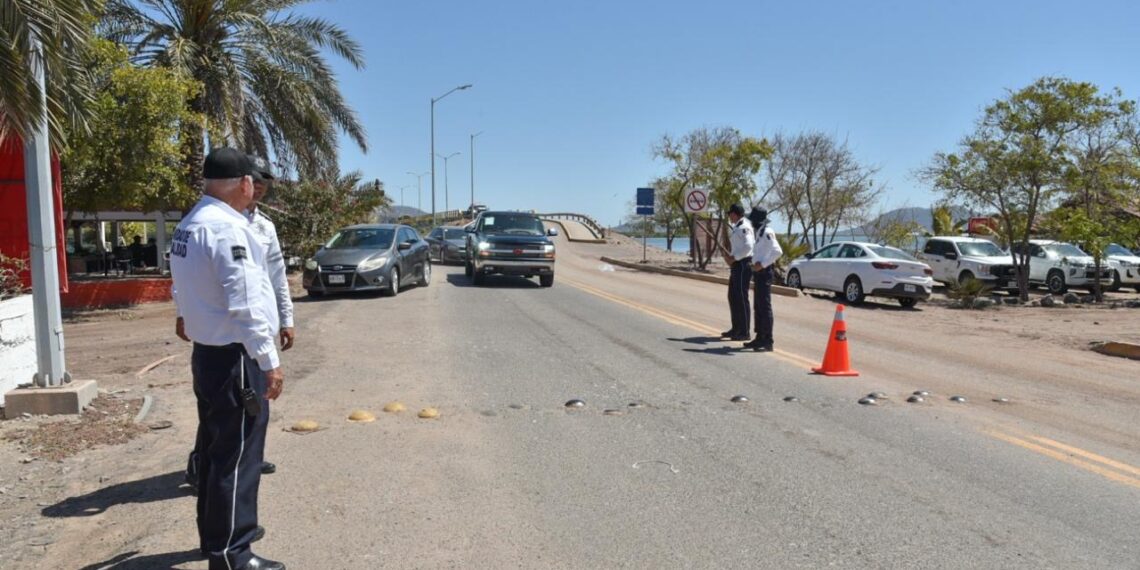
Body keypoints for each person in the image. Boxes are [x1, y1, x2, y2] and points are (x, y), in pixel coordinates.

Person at [170, 147, 285, 570]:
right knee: (238, 455)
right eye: (253, 182)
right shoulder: (228, 230)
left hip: (208, 355)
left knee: (218, 451)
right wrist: (269, 361)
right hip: (236, 357)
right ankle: (234, 555)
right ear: (244, 183)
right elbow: (247, 305)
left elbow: (181, 287)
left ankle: (214, 540)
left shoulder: (191, 224)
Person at [179, 156, 293, 486]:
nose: (257, 189)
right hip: (233, 341)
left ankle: (248, 460)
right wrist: (182, 312)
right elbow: (198, 279)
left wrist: (286, 318)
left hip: (246, 336)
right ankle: (208, 471)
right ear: (241, 182)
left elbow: (276, 277)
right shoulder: (218, 223)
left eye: (262, 185)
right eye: (253, 182)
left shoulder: (263, 226)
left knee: (245, 419)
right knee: (226, 420)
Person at [745, 206, 783, 352]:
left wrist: (763, 264)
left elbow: (777, 251)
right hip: (759, 272)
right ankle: (760, 336)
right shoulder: (759, 233)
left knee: (764, 306)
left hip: (765, 272)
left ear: (757, 221)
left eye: (752, 220)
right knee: (758, 306)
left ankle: (768, 340)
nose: (751, 222)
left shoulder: (767, 232)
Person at [721, 203, 754, 342]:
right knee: (733, 297)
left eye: (730, 213)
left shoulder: (744, 227)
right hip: (737, 264)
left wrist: (734, 258)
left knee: (741, 297)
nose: (729, 216)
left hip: (743, 264)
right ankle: (736, 328)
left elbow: (748, 246)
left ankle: (744, 331)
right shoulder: (737, 227)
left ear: (735, 214)